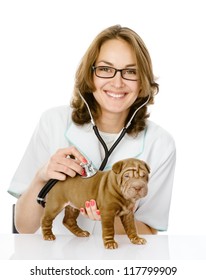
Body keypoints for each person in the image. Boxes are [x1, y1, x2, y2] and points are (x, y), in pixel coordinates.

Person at [8, 25, 176, 235]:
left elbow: (150, 231)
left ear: (142, 82)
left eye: (130, 72)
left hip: (119, 265)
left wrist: (109, 210)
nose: (117, 82)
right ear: (91, 75)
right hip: (52, 263)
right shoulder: (53, 122)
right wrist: (42, 176)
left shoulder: (160, 143)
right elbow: (24, 227)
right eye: (106, 69)